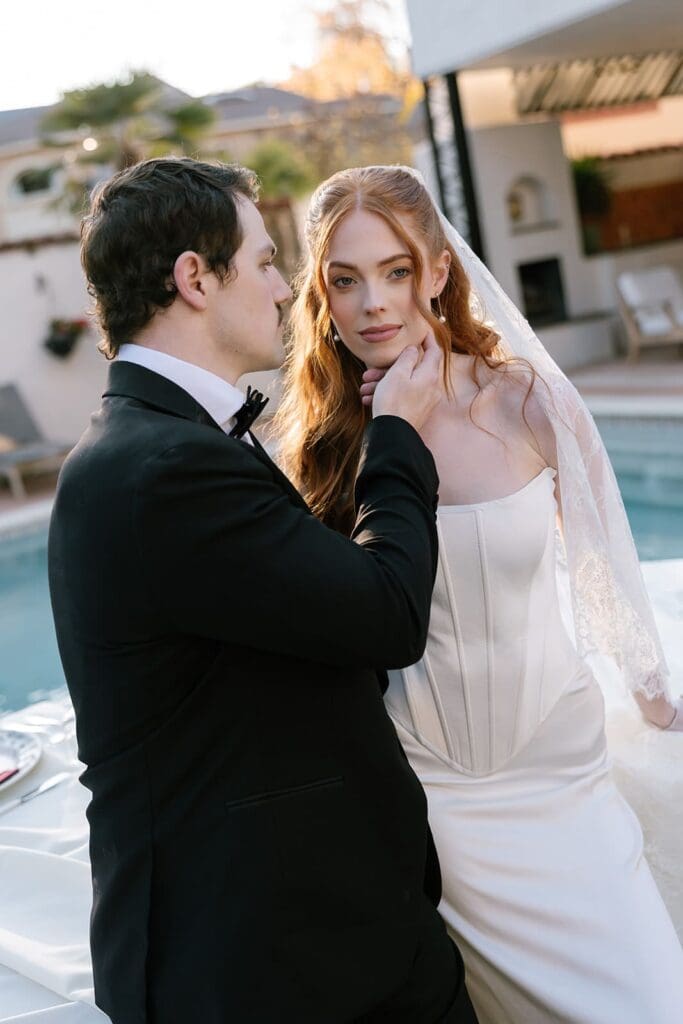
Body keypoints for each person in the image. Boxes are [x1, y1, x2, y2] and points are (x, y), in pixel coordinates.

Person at [48, 158, 480, 1024]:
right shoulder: (164, 466)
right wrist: (397, 431)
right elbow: (385, 614)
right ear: (194, 279)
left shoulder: (159, 441)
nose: (288, 291)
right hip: (276, 958)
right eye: (266, 262)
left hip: (308, 932)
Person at [274, 163, 683, 1024]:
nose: (372, 304)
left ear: (436, 271)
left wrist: (654, 703)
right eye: (343, 280)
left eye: (393, 271)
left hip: (555, 769)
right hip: (429, 792)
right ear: (321, 293)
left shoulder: (527, 400)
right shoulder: (321, 441)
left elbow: (605, 560)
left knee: (649, 998)